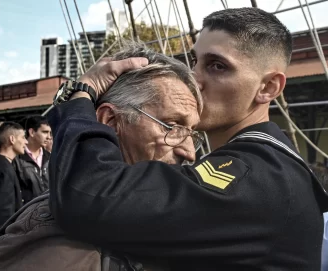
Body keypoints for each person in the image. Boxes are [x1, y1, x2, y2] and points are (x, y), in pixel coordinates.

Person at [46, 7, 328, 271]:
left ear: (267, 87)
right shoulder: (265, 165)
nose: (194, 78)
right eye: (195, 61)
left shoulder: (258, 178)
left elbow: (88, 195)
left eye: (217, 66)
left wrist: (83, 92)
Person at [0, 44, 202, 271]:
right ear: (110, 121)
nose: (190, 151)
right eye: (172, 126)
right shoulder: (56, 251)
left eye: (192, 133)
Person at [14, 116, 51, 203]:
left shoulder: (51, 158)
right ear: (32, 132)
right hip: (27, 212)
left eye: (50, 133)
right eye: (45, 132)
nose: (49, 137)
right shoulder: (17, 159)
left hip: (50, 210)